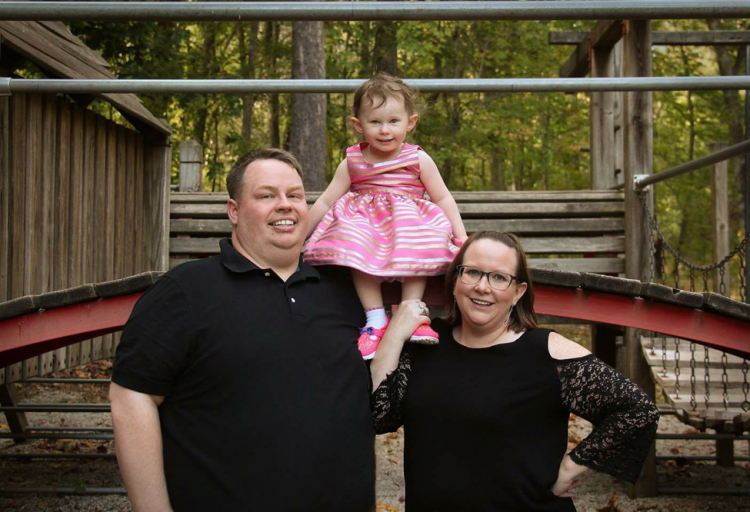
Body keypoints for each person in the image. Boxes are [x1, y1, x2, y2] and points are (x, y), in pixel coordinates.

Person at [109, 148, 375, 511]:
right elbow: (131, 396)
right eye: (267, 195)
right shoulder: (186, 291)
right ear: (234, 211)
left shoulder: (346, 290)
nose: (285, 205)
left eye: (294, 195)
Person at [370, 231, 660, 511]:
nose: (482, 286)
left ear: (518, 292)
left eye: (499, 277)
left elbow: (638, 410)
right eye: (472, 272)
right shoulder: (426, 344)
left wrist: (573, 465)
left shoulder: (546, 351)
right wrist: (394, 333)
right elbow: (380, 416)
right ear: (455, 280)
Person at [304, 73, 467, 359]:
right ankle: (375, 319)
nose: (384, 130)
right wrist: (300, 233)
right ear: (358, 125)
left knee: (419, 240)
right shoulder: (353, 161)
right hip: (367, 229)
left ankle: (413, 312)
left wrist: (460, 235)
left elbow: (442, 197)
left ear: (410, 122)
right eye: (375, 122)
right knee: (354, 238)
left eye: (394, 121)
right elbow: (328, 199)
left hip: (409, 227)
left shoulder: (417, 158)